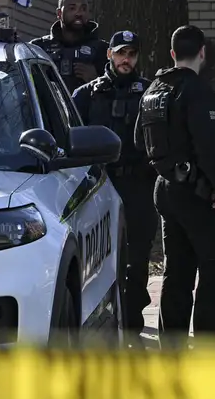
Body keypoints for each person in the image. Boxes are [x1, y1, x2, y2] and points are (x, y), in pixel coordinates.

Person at [134, 25, 215, 349]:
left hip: (165, 189)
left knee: (177, 270)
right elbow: (208, 146)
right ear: (201, 52)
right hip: (196, 193)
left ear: (173, 54)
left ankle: (171, 345)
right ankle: (205, 340)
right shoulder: (198, 92)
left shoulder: (153, 90)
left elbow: (139, 140)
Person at [71, 30, 157, 347]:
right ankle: (102, 317)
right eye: (121, 53)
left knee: (137, 253)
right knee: (99, 255)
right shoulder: (86, 95)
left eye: (132, 54)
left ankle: (132, 317)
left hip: (138, 185)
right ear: (109, 55)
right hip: (100, 186)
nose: (126, 60)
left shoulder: (149, 93)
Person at [29, 0, 108, 92]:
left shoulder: (103, 50)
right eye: (72, 8)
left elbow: (118, 91)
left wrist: (96, 79)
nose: (79, 13)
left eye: (83, 9)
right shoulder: (39, 48)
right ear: (59, 13)